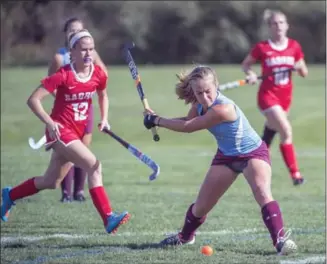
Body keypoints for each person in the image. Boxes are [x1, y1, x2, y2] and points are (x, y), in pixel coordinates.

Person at [143, 65, 297, 255]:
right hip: (226, 156)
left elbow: (189, 127)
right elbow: (186, 119)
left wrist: (157, 120)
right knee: (201, 206)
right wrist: (156, 118)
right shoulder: (198, 106)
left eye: (208, 91)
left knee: (262, 192)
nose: (204, 97)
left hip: (253, 153)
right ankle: (185, 237)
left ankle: (281, 241)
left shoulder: (223, 108)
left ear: (216, 86)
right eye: (199, 93)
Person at [1, 29, 130, 234]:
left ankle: (10, 195)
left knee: (51, 182)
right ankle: (108, 218)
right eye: (83, 50)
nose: (89, 54)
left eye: (91, 49)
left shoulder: (97, 73)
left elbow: (102, 95)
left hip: (76, 133)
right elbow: (33, 100)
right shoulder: (63, 74)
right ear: (72, 51)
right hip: (60, 132)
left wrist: (104, 119)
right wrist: (50, 123)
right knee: (94, 166)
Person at [241, 9, 308, 186]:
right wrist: (251, 74)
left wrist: (298, 66)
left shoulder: (294, 46)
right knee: (286, 130)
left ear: (287, 26)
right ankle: (296, 175)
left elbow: (304, 72)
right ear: (270, 27)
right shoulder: (263, 47)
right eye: (274, 23)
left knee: (269, 134)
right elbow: (246, 65)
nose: (278, 26)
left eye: (281, 22)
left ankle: (252, 160)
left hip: (285, 97)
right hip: (267, 97)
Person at [48, 17, 108, 203]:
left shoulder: (91, 53)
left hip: (85, 109)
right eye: (72, 30)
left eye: (79, 30)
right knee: (68, 155)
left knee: (84, 151)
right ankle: (66, 193)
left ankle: (79, 192)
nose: (75, 33)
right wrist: (67, 99)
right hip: (67, 112)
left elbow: (103, 76)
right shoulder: (60, 57)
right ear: (66, 35)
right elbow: (51, 84)